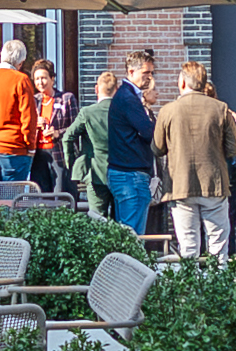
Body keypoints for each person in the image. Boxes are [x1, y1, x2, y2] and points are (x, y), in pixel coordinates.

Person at [151, 61, 236, 259]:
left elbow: (157, 149)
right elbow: (234, 148)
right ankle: (218, 287)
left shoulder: (168, 110)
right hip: (214, 183)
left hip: (180, 184)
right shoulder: (220, 108)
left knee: (188, 247)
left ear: (183, 82)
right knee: (218, 248)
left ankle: (190, 287)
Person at [0, 36, 42, 192]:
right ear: (20, 62)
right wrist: (30, 146)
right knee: (11, 203)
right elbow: (29, 118)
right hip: (14, 148)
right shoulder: (21, 80)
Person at [104, 55, 158, 237]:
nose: (149, 77)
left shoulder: (126, 96)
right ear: (131, 72)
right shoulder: (128, 98)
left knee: (125, 237)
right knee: (133, 239)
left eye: (151, 72)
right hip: (130, 175)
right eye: (146, 72)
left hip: (124, 173)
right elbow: (149, 132)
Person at [58, 65, 120, 216]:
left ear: (96, 89)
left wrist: (72, 163)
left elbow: (67, 137)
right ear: (116, 90)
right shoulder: (123, 112)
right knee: (120, 221)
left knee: (97, 219)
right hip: (120, 171)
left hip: (94, 171)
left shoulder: (87, 112)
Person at [28, 57, 68, 190]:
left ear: (52, 78)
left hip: (58, 153)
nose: (40, 82)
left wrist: (57, 132)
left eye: (44, 78)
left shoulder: (65, 99)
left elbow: (75, 128)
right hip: (38, 155)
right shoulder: (33, 101)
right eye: (37, 79)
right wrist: (34, 124)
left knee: (60, 194)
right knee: (40, 196)